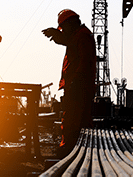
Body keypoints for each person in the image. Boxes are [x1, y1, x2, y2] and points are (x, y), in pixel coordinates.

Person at [42, 9, 96, 157]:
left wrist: (76, 81)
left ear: (70, 24)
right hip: (79, 84)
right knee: (80, 121)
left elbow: (85, 62)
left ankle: (68, 149)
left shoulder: (82, 36)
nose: (64, 31)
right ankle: (79, 151)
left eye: (64, 28)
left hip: (78, 86)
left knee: (73, 119)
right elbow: (69, 41)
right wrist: (57, 34)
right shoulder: (80, 35)